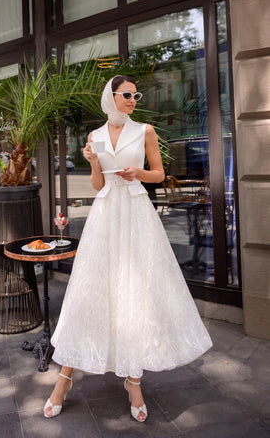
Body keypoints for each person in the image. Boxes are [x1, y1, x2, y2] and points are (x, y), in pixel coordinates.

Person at [44, 75, 212, 422]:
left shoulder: (145, 130)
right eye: (127, 94)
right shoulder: (95, 136)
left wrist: (139, 172)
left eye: (136, 95)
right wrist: (92, 161)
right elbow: (97, 184)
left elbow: (160, 173)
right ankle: (64, 380)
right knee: (91, 292)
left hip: (136, 212)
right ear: (112, 97)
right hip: (106, 214)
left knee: (139, 293)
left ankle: (133, 381)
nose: (133, 99)